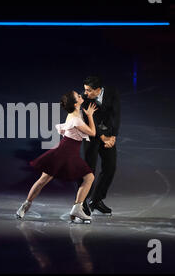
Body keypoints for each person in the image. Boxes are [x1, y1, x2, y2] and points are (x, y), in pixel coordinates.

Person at [16, 91, 98, 223]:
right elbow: (93, 132)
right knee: (87, 177)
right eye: (79, 96)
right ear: (76, 103)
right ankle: (76, 208)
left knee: (45, 179)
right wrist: (90, 116)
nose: (81, 96)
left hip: (68, 150)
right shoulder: (76, 118)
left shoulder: (75, 113)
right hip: (65, 151)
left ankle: (76, 208)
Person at [79, 76, 120, 216]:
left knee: (110, 167)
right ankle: (82, 202)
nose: (85, 93)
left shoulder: (111, 93)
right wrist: (104, 137)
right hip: (91, 135)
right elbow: (91, 121)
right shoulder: (84, 100)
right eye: (85, 89)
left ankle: (96, 200)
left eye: (89, 90)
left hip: (108, 134)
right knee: (88, 169)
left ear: (98, 90)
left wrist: (113, 136)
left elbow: (116, 115)